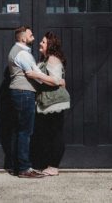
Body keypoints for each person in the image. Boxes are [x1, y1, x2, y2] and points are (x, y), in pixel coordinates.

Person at [7, 26, 64, 178]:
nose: (35, 38)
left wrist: (56, 80)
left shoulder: (21, 52)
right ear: (23, 38)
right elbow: (36, 75)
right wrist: (56, 81)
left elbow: (39, 74)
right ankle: (24, 168)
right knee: (25, 131)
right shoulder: (23, 54)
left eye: (43, 42)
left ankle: (18, 166)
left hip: (23, 93)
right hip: (24, 93)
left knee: (22, 130)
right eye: (31, 34)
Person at [32, 32, 70, 176]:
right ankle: (45, 164)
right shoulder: (45, 59)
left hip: (55, 102)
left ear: (50, 45)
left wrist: (35, 74)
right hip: (47, 102)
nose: (40, 44)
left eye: (43, 42)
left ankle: (53, 166)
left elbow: (55, 80)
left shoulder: (53, 59)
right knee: (46, 134)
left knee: (54, 133)